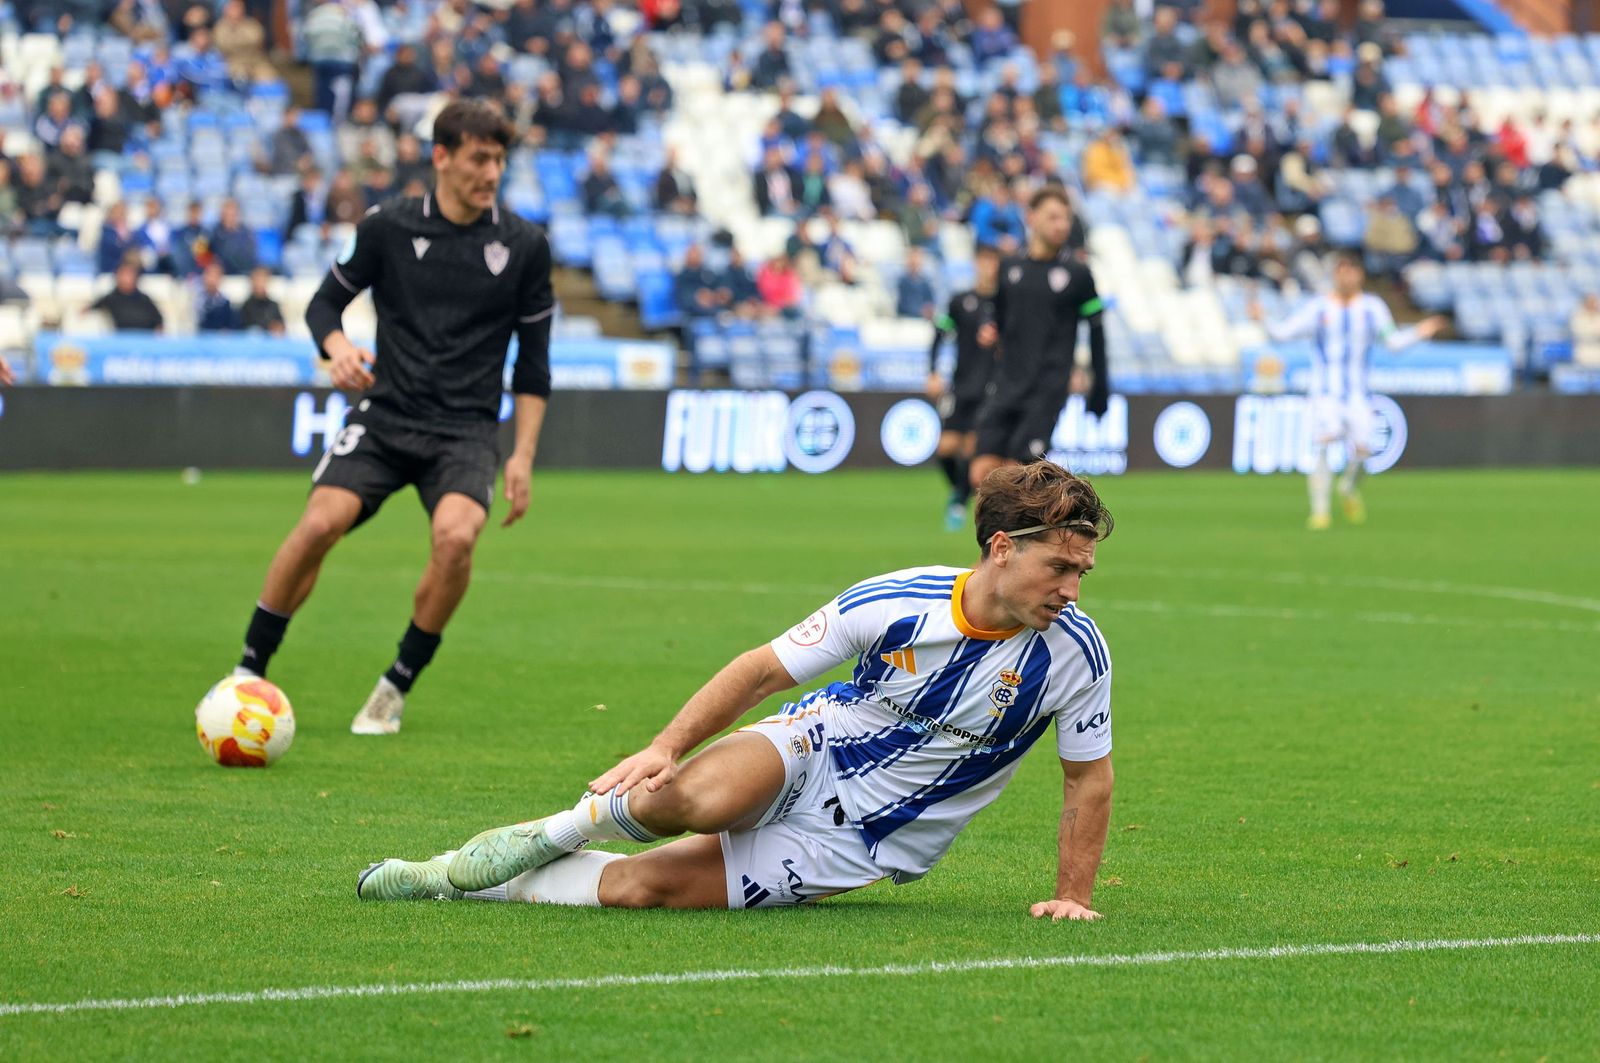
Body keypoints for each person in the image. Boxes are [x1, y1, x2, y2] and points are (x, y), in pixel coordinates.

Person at [358, 461, 1117, 920]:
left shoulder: (1077, 655)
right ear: (1001, 548)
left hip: (863, 843)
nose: (1073, 588)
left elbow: (1088, 775)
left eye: (1083, 571)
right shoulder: (894, 600)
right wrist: (663, 746)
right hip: (819, 744)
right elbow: (761, 668)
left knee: (638, 890)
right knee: (685, 799)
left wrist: (1073, 894)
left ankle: (463, 882)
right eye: (1061, 566)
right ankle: (552, 831)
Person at [232, 100, 557, 735]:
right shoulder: (388, 226)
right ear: (441, 156)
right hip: (386, 415)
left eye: (499, 160)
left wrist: (521, 455)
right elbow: (323, 306)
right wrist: (339, 349)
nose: (491, 172)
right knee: (320, 522)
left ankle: (395, 685)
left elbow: (535, 367)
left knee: (457, 539)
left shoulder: (524, 246)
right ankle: (248, 672)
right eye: (478, 158)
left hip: (464, 431)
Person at [1250, 252, 1445, 529]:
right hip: (1325, 393)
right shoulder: (1318, 308)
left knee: (1364, 450)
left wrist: (1419, 332)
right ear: (1335, 275)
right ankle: (1320, 511)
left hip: (1358, 394)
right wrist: (1263, 319)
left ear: (1360, 275)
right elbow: (1282, 334)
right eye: (1341, 271)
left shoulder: (1372, 308)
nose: (1346, 276)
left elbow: (1393, 342)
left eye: (1351, 271)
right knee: (1323, 444)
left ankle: (1348, 488)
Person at [968, 188, 1108, 490]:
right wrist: (989, 329)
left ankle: (1022, 536)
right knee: (981, 472)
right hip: (1007, 383)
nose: (1061, 225)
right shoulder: (1009, 268)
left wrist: (1100, 388)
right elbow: (996, 316)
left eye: (1065, 218)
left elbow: (1097, 331)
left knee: (1017, 476)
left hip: (1047, 388)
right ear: (1031, 218)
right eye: (1053, 217)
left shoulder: (1078, 273)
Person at [928, 244, 1000, 532]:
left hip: (992, 390)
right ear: (975, 264)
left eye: (992, 261)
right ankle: (961, 492)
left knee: (972, 448)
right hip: (962, 387)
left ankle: (958, 503)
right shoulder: (961, 301)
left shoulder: (1005, 303)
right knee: (945, 448)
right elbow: (939, 333)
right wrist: (933, 371)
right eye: (983, 260)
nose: (987, 266)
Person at [90, 259, 164, 331]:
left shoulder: (145, 299)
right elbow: (91, 308)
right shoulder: (111, 299)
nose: (127, 278)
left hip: (146, 338)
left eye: (130, 274)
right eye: (124, 274)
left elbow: (158, 320)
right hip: (122, 339)